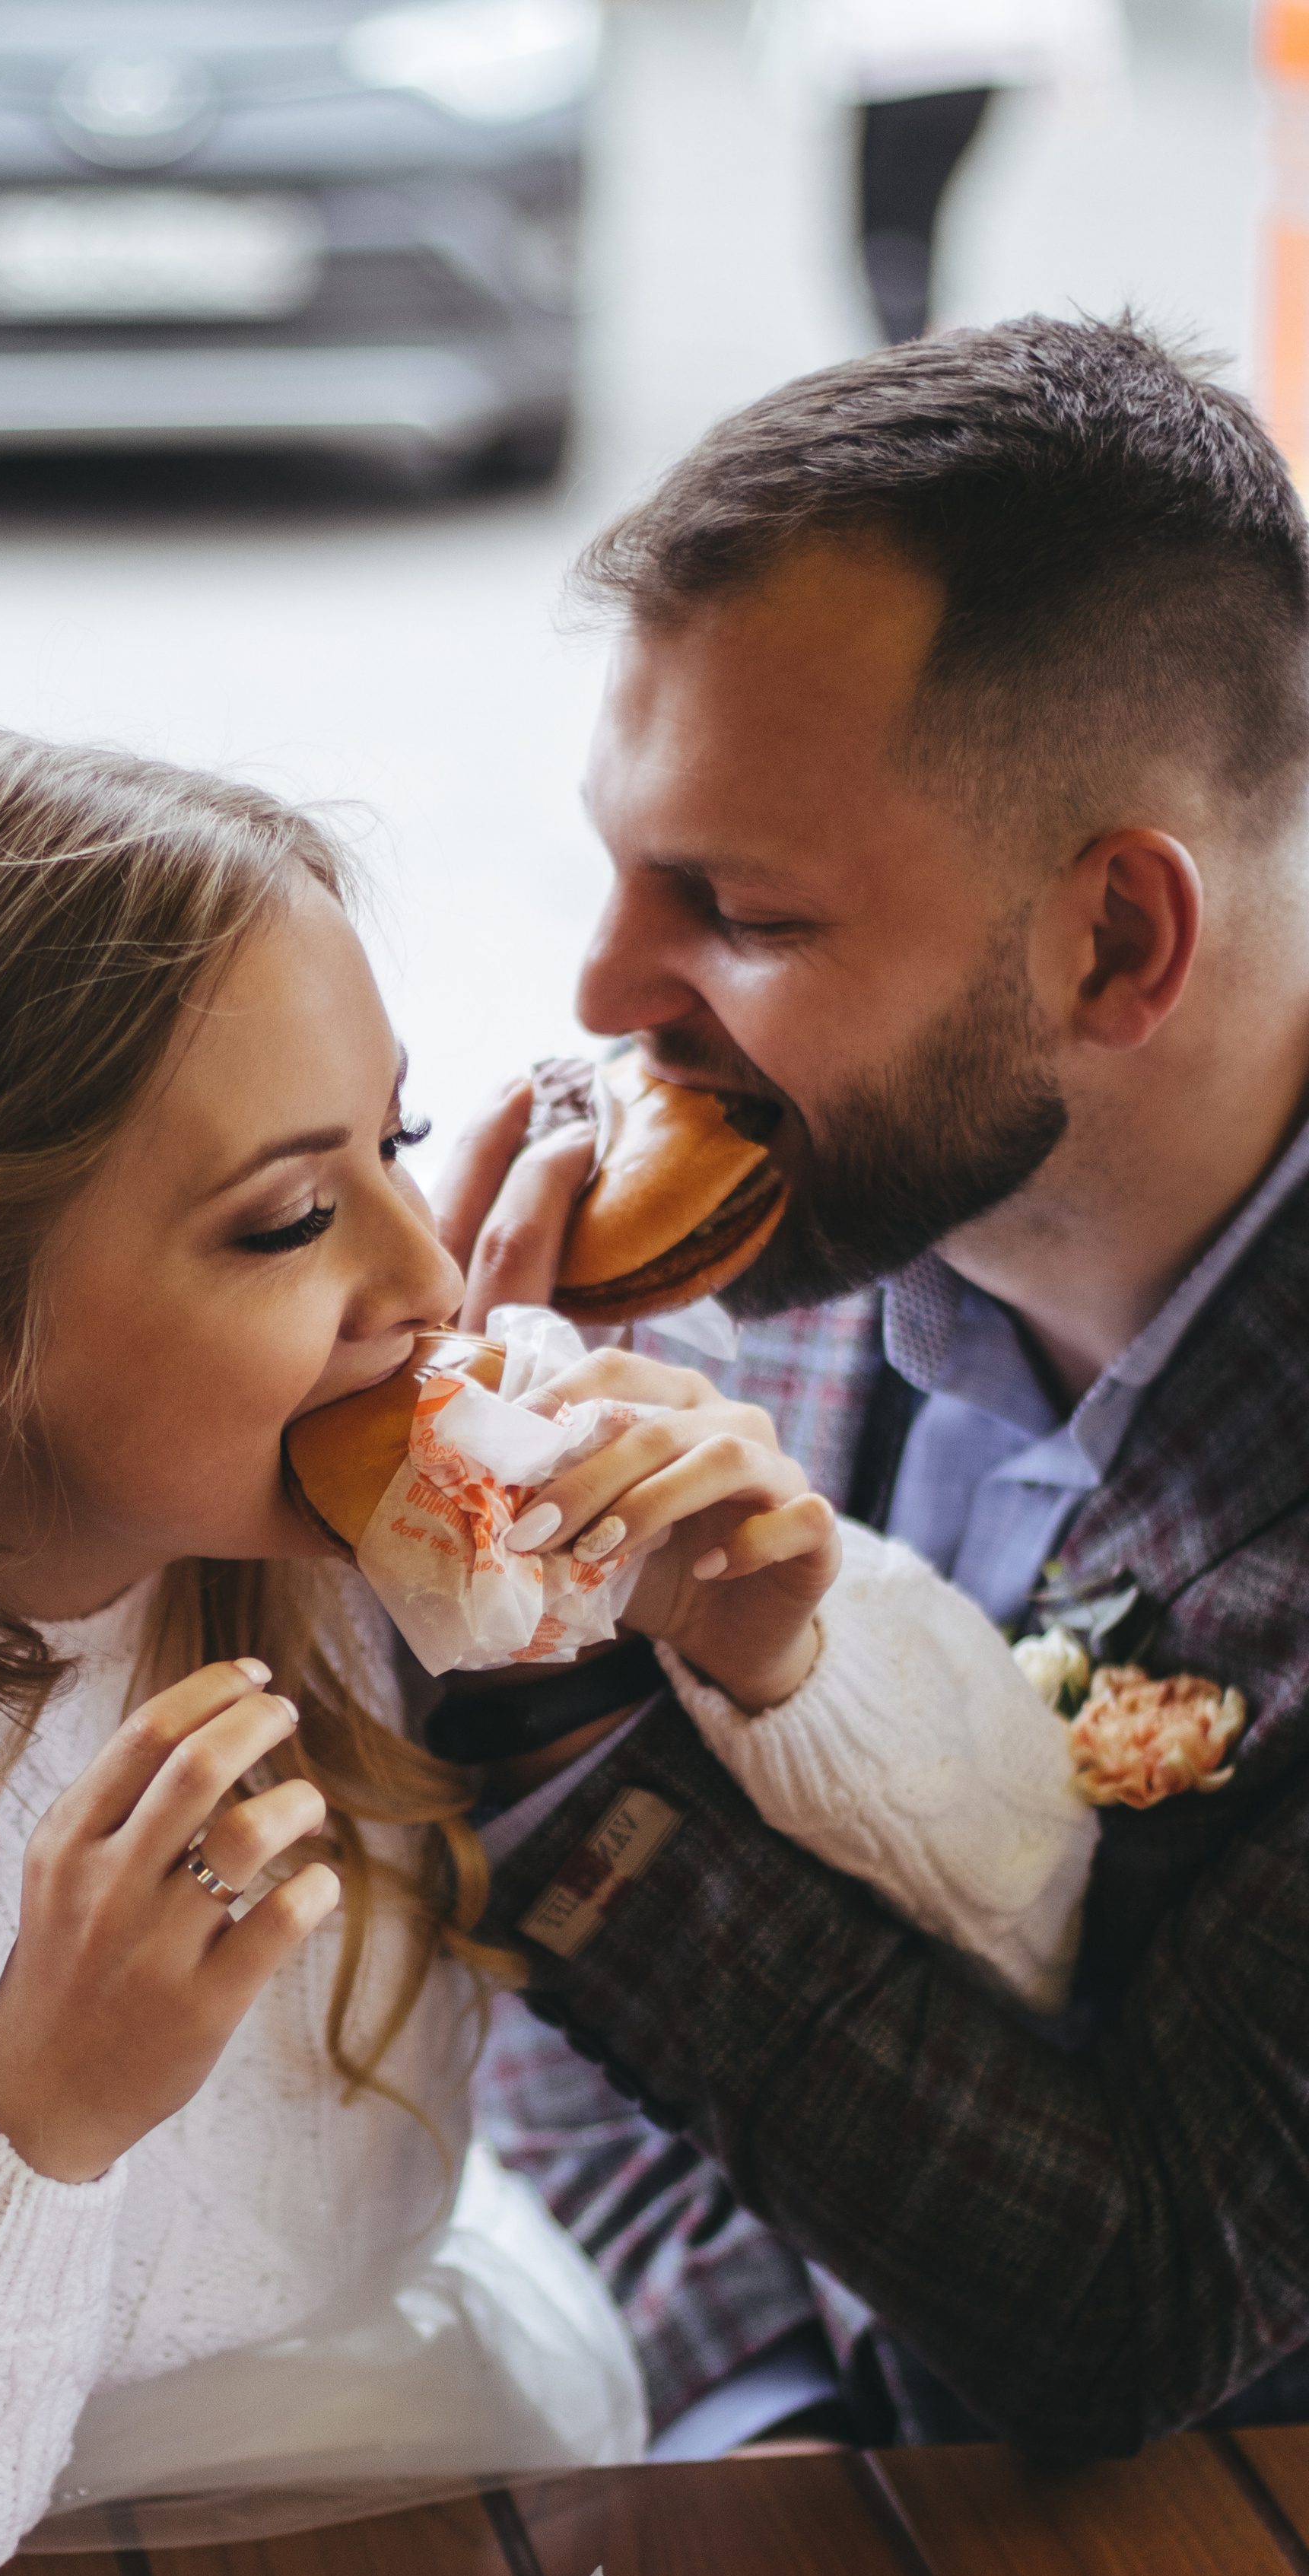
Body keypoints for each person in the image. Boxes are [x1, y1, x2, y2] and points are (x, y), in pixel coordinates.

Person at [0, 730, 1087, 2576]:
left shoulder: (379, 1545)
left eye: (394, 1145)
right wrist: (30, 2109)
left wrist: (788, 1659)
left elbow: (1039, 1896)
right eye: (284, 1216)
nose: (427, 1275)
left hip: (402, 2496)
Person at [439, 313, 1309, 2457]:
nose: (605, 995)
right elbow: (565, 2030)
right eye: (621, 859)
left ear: (1119, 942)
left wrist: (548, 1705)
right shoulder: (747, 1254)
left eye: (733, 909)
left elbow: (1147, 2290)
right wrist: (756, 2398)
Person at [749, 0, 1127, 344]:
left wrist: (795, 75)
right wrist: (1084, 62)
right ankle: (930, 351)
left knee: (888, 232)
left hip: (889, 56)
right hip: (985, 51)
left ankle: (909, 357)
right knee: (922, 223)